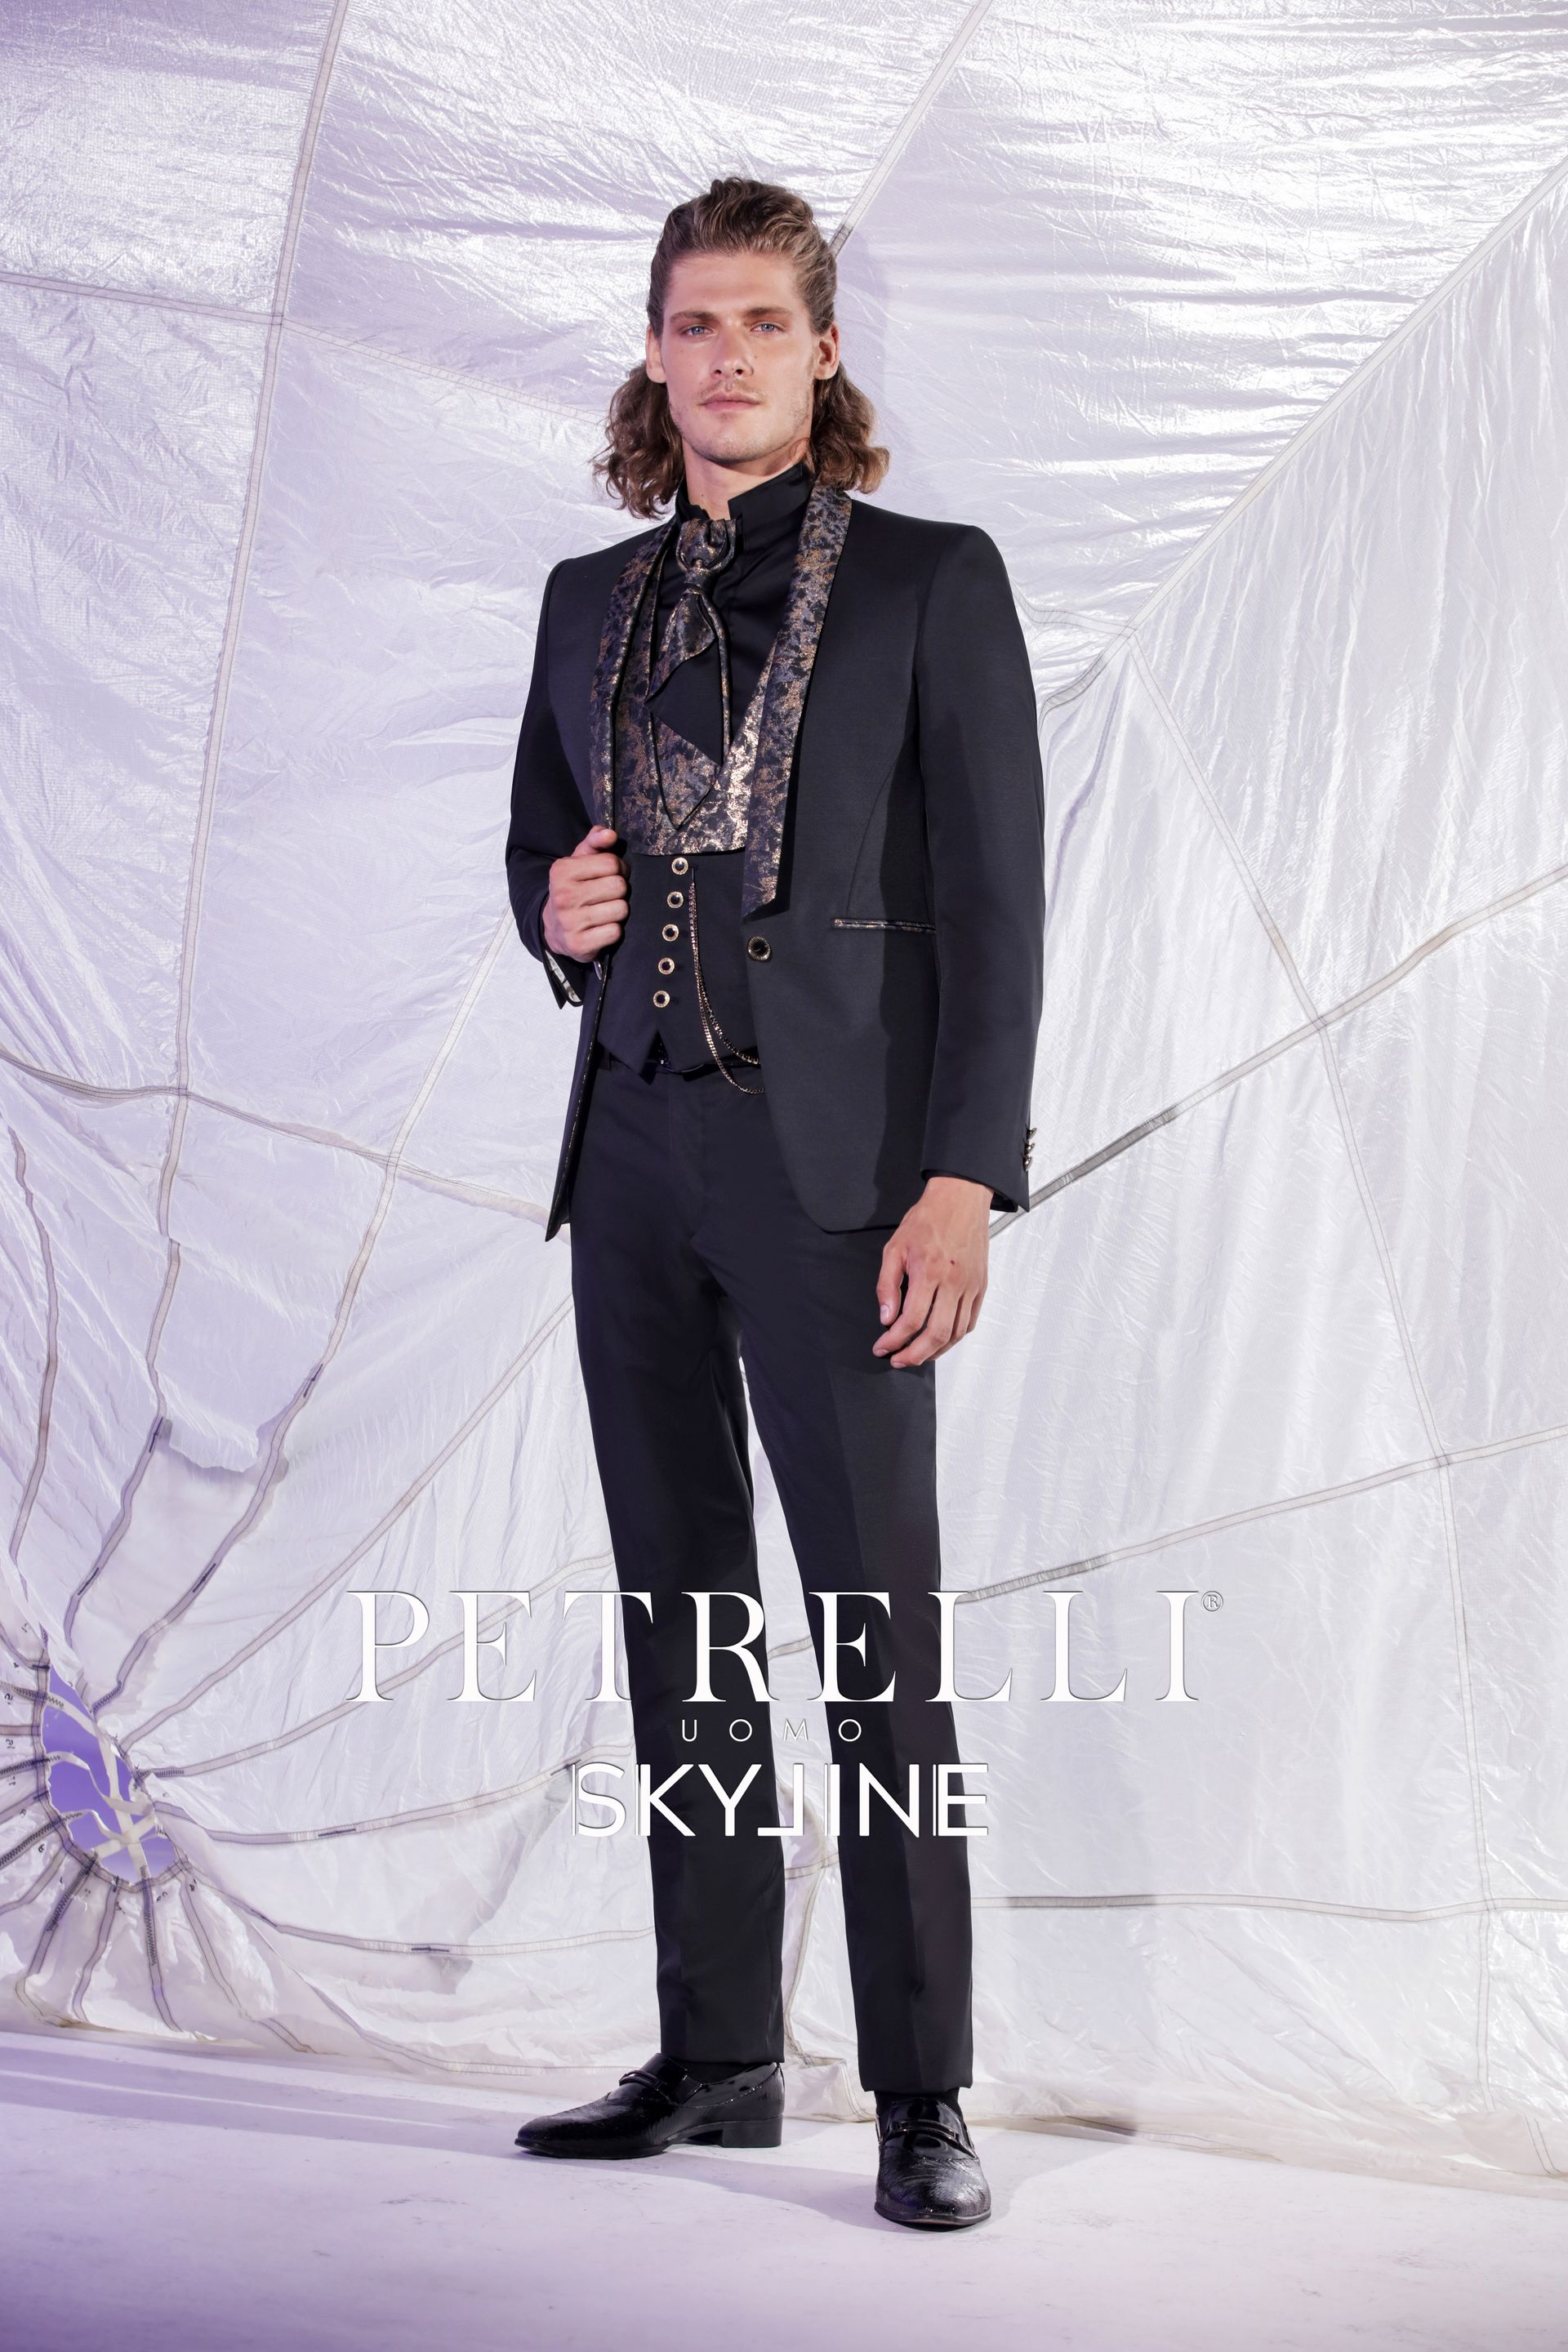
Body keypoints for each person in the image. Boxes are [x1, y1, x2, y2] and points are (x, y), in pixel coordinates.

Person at [504, 176, 1044, 2230]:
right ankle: (721, 2055)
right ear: (652, 354)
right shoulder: (584, 600)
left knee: (877, 1631)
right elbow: (537, 848)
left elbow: (999, 909)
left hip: (843, 1178)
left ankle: (923, 2091)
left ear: (824, 352)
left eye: (761, 323)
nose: (723, 356)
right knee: (685, 1617)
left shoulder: (931, 580)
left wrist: (964, 1177)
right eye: (691, 323)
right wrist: (554, 912)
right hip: (633, 1155)